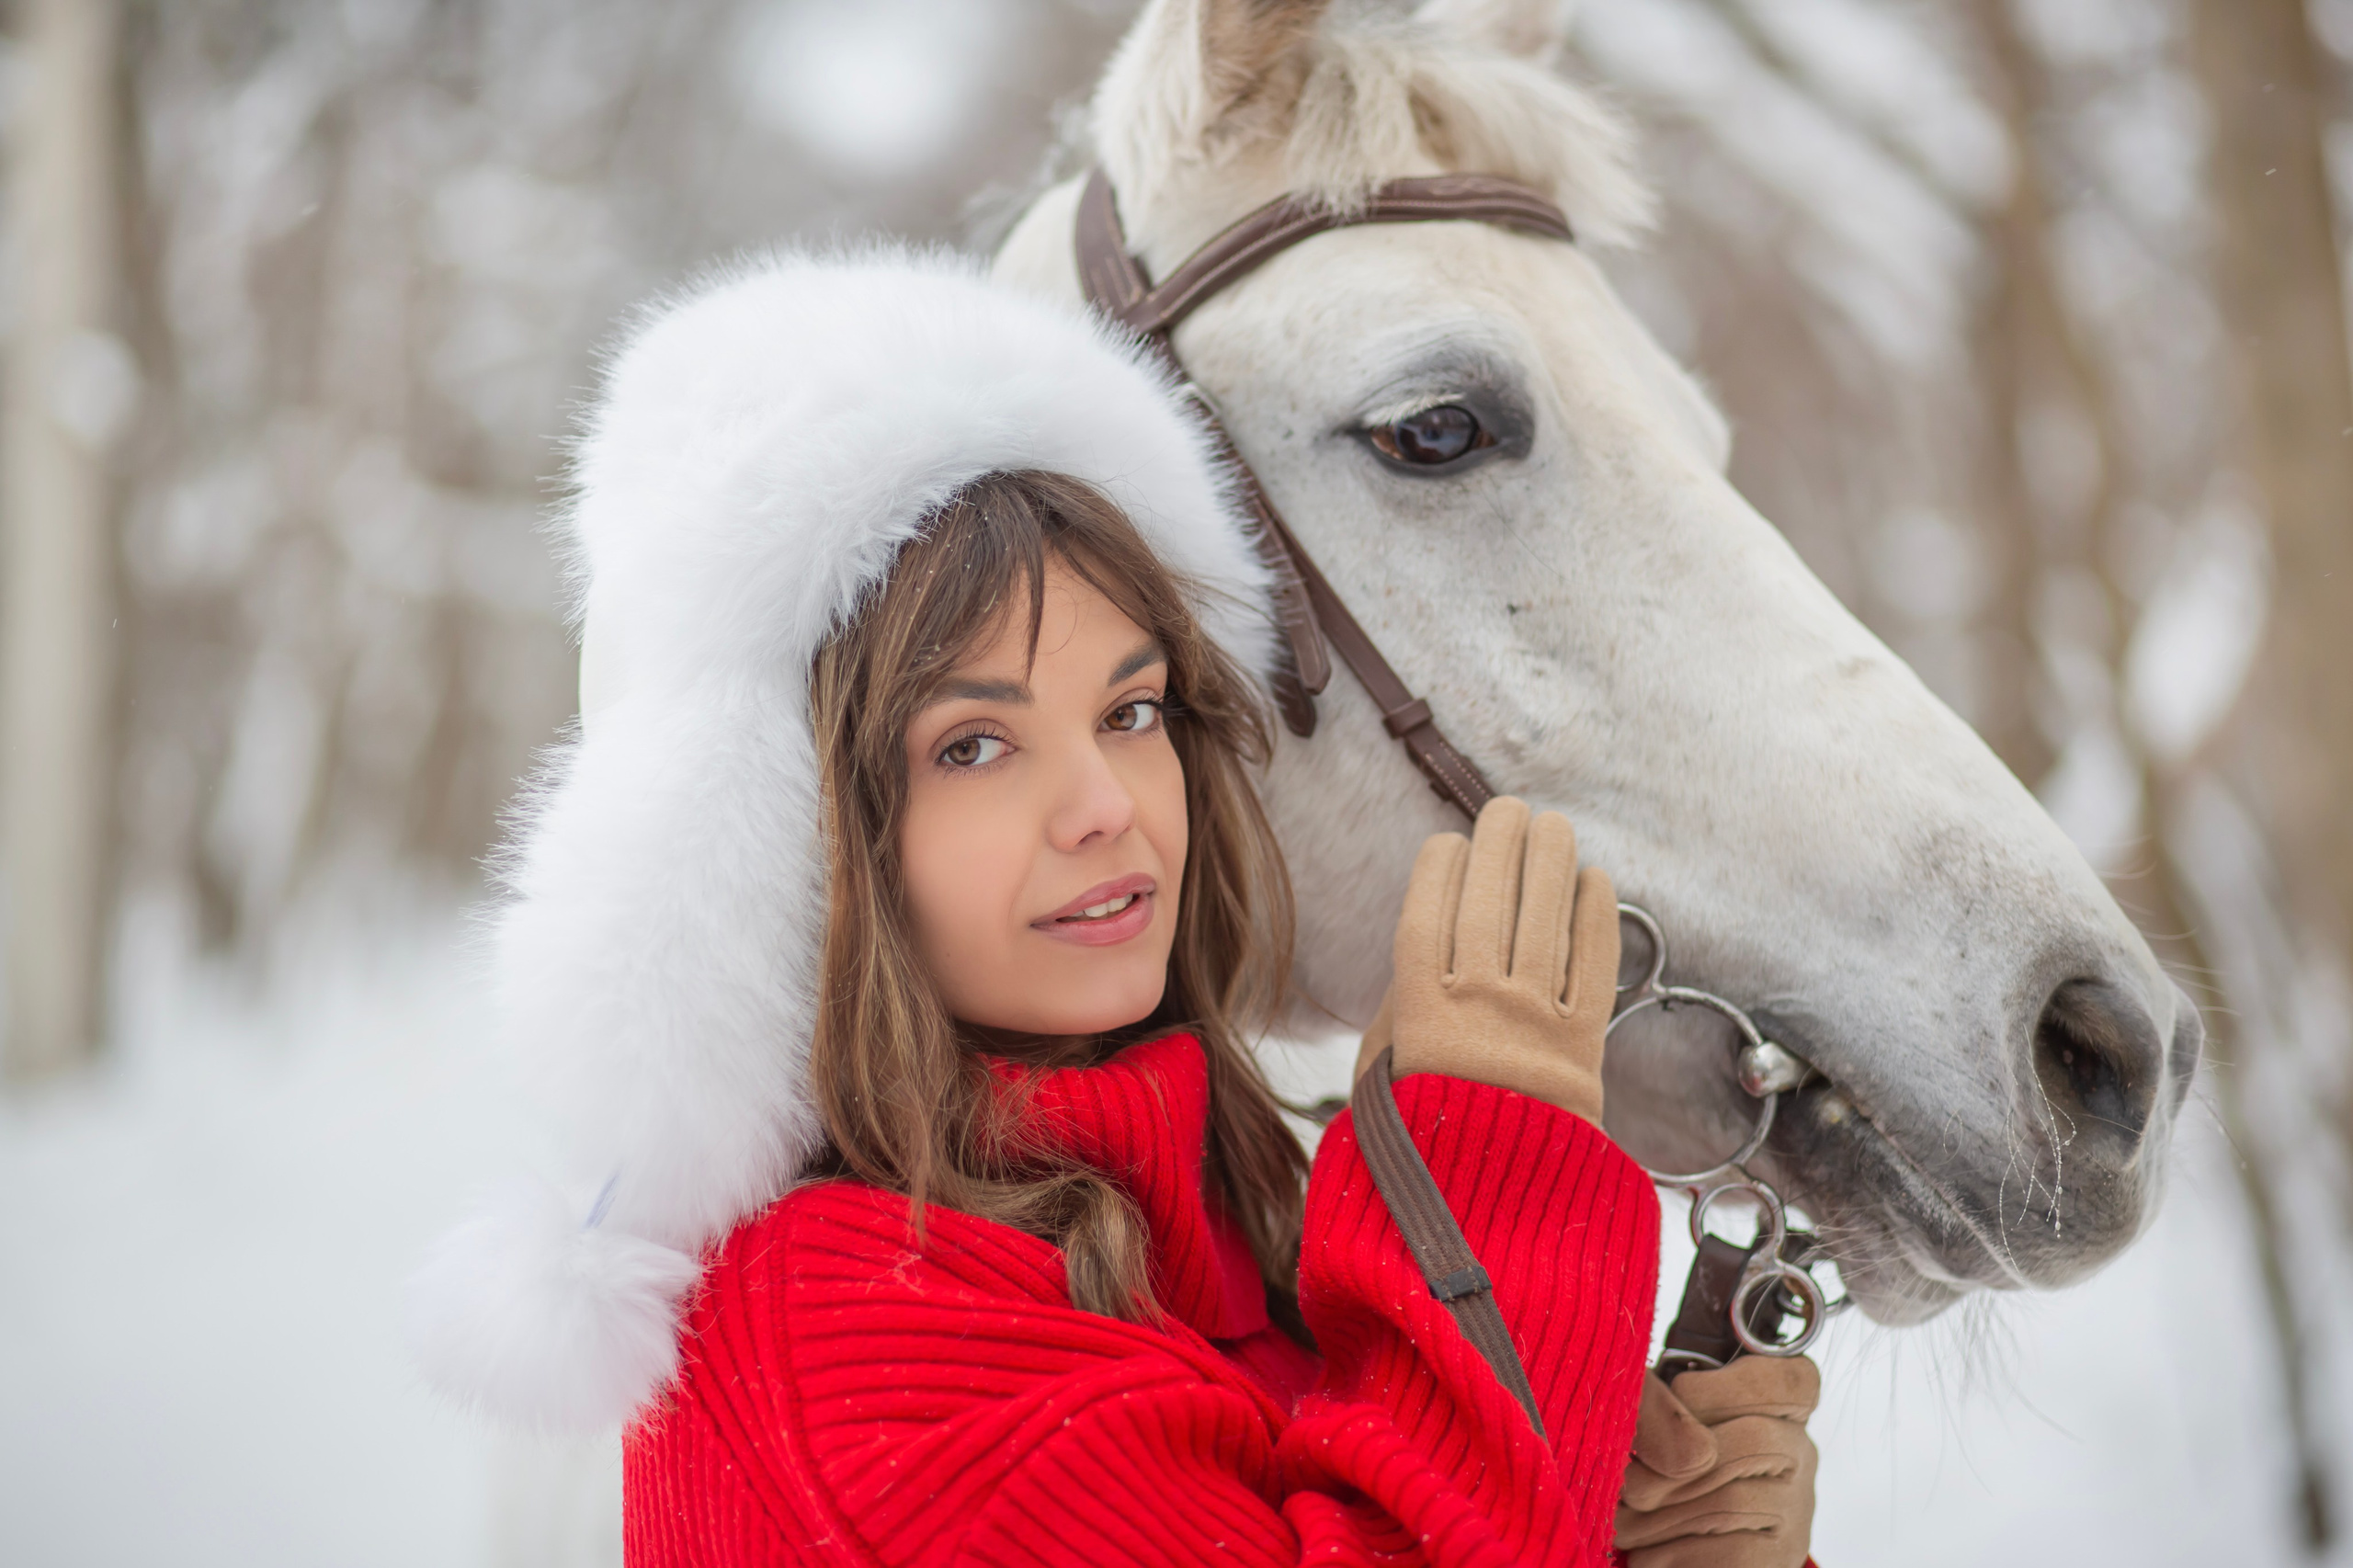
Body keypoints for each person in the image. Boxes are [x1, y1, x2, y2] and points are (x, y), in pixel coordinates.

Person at [408, 250, 1818, 1566]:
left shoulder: (1218, 1220)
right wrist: (1486, 1186)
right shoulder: (838, 1334)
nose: (1104, 802)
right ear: (803, 845)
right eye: (973, 742)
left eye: (1132, 709)